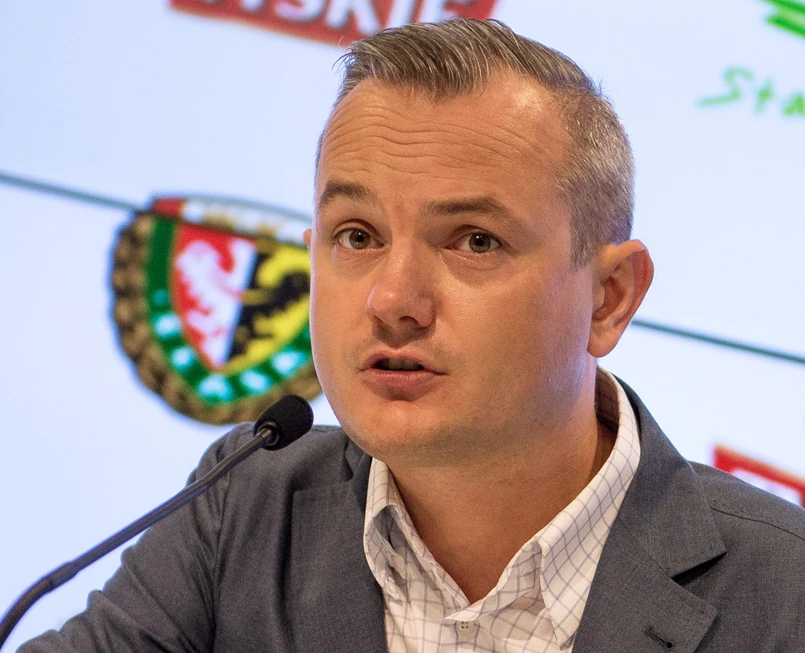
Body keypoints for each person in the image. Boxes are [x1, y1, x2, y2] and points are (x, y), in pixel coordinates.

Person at [19, 18, 805, 653]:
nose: (392, 300)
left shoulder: (782, 589)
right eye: (357, 236)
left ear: (608, 298)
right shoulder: (246, 504)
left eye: (474, 241)